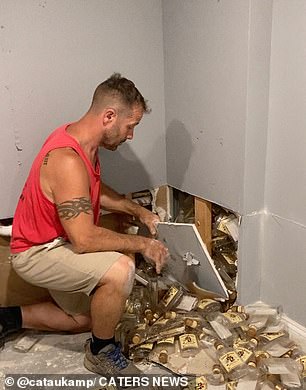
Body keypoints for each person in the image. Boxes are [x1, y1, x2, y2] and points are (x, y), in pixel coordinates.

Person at [1, 73, 169, 375]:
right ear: (109, 116)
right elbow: (84, 240)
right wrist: (145, 244)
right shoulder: (67, 158)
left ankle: (8, 318)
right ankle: (100, 353)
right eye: (131, 126)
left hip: (55, 243)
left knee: (93, 318)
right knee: (121, 270)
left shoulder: (81, 143)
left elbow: (93, 190)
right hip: (35, 252)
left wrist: (139, 211)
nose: (130, 135)